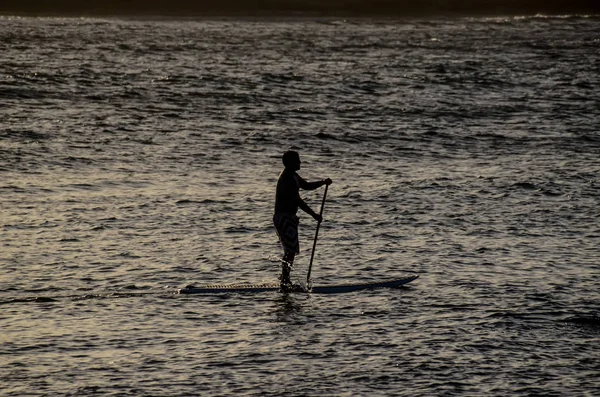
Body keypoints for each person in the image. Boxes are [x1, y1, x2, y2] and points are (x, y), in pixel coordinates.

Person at [273, 150, 332, 292]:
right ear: (290, 163)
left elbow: (306, 186)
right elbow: (297, 200)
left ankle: (285, 280)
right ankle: (285, 282)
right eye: (297, 160)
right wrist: (314, 215)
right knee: (290, 251)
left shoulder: (293, 175)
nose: (300, 162)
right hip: (284, 218)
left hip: (289, 218)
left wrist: (323, 183)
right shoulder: (287, 177)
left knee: (291, 250)